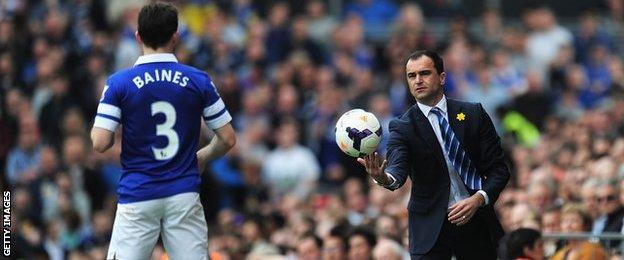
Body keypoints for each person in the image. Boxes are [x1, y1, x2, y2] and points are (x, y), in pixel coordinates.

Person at [89, 2, 236, 259]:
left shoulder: (118, 83)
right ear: (175, 37)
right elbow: (228, 138)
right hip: (184, 193)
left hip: (138, 194)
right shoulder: (198, 79)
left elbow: (100, 143)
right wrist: (201, 157)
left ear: (138, 36)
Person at [358, 50, 510, 259]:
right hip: (430, 229)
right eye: (412, 76)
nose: (418, 80)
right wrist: (383, 177)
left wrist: (478, 199)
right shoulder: (402, 127)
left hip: (477, 221)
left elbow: (499, 170)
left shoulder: (473, 113)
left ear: (442, 77)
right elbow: (397, 169)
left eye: (425, 73)